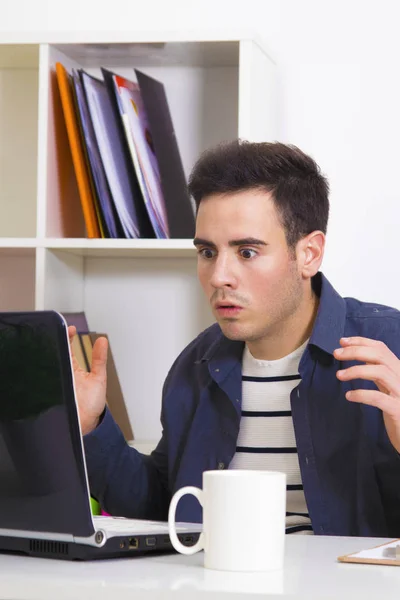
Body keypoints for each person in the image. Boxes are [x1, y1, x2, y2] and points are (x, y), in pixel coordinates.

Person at [71, 141, 400, 537]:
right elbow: (163, 508)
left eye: (246, 252)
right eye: (207, 252)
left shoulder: (388, 346)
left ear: (309, 254)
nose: (219, 276)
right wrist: (91, 425)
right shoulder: (196, 364)